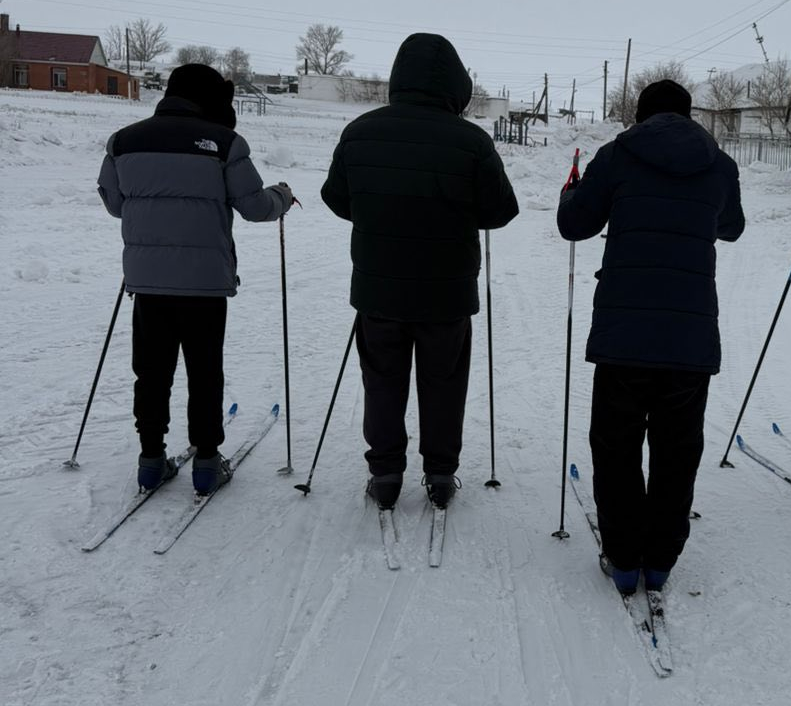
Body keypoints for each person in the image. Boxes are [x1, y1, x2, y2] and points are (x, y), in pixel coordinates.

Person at [557, 78, 745, 593]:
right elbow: (733, 227)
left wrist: (571, 191)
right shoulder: (720, 163)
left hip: (624, 331)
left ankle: (622, 560)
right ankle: (660, 560)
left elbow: (575, 225)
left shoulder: (618, 155)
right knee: (677, 447)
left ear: (641, 116)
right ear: (689, 116)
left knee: (616, 445)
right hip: (689, 334)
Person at [320, 32, 519, 511]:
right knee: (444, 383)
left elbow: (336, 197)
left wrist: (378, 214)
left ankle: (386, 473)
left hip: (378, 289)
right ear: (456, 84)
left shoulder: (360, 132)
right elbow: (501, 210)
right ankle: (441, 474)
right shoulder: (471, 141)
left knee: (382, 381)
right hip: (446, 295)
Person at [98, 62, 294, 494]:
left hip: (147, 281)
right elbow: (255, 207)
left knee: (151, 372)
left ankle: (150, 460)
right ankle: (206, 463)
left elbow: (115, 203)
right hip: (204, 284)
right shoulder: (225, 143)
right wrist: (282, 195)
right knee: (205, 371)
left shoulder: (124, 141)